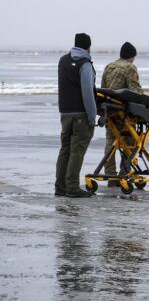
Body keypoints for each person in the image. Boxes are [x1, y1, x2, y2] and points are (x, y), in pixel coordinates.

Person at [56, 33, 97, 197]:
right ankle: (72, 187)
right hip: (81, 113)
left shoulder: (63, 61)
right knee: (77, 151)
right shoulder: (85, 64)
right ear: (89, 46)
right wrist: (92, 116)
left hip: (65, 112)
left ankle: (60, 187)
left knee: (65, 150)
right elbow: (87, 93)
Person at [100, 42, 142, 185]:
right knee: (130, 143)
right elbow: (135, 92)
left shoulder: (109, 66)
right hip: (125, 114)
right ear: (132, 56)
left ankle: (110, 175)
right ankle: (124, 173)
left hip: (110, 111)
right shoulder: (130, 67)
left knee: (110, 143)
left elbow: (103, 89)